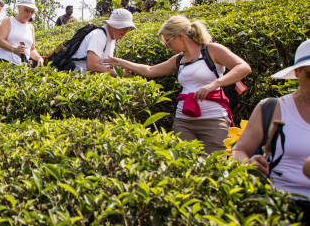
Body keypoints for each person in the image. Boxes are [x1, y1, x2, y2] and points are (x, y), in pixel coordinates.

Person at [105, 15, 251, 154]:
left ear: (180, 36)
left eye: (168, 41)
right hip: (184, 120)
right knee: (185, 165)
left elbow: (243, 67)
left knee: (215, 166)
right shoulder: (179, 59)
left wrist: (215, 84)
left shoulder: (212, 50)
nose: (167, 46)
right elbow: (150, 70)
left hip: (213, 119)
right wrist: (121, 62)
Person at [231, 39, 310, 208]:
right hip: (278, 211)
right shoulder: (272, 108)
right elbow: (239, 150)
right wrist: (248, 163)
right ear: (297, 73)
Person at [69, 8, 136, 75]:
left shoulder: (112, 37)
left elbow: (104, 64)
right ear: (113, 25)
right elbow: (92, 66)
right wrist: (118, 74)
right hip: (81, 76)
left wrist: (121, 70)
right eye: (123, 27)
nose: (125, 31)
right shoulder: (99, 35)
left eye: (127, 28)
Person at [0, 0, 43, 66]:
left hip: (20, 67)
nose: (29, 14)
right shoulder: (8, 21)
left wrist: (38, 58)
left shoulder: (31, 27)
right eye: (26, 10)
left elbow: (32, 49)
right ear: (19, 8)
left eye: (32, 12)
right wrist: (14, 49)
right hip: (3, 62)